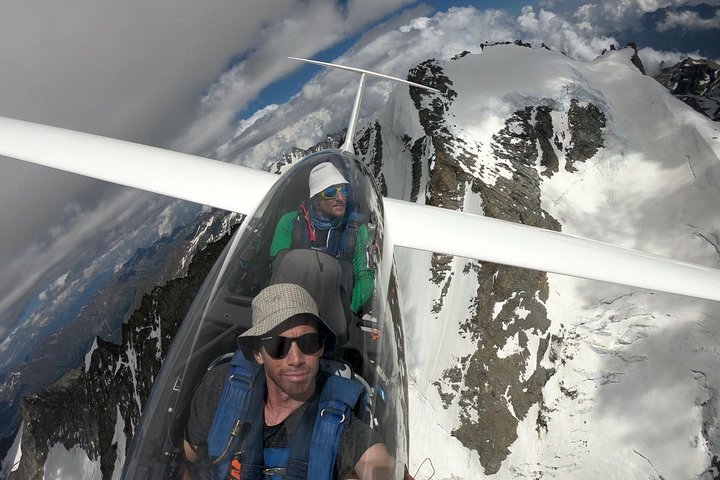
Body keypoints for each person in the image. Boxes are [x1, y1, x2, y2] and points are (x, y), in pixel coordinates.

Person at [182, 283, 396, 480]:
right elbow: (190, 459)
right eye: (278, 346)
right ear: (258, 354)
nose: (295, 359)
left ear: (321, 347)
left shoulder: (340, 424)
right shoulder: (221, 389)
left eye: (309, 342)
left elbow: (377, 463)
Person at [269, 162, 374, 315]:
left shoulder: (357, 231)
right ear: (316, 200)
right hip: (290, 307)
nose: (340, 198)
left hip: (335, 313)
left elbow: (365, 276)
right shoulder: (290, 223)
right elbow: (277, 268)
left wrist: (346, 312)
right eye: (331, 192)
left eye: (343, 191)